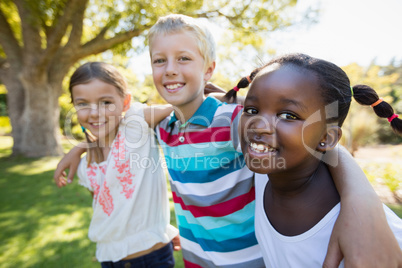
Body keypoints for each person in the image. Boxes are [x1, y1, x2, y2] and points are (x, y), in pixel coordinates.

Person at [55, 14, 402, 268]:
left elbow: (304, 141)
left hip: (246, 261)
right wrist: (81, 146)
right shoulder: (164, 129)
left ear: (209, 70)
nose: (170, 69)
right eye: (159, 61)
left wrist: (362, 204)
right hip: (194, 259)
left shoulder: (234, 121)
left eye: (184, 59)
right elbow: (112, 126)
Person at [234, 53, 402, 267]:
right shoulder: (268, 168)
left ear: (327, 137)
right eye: (252, 110)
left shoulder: (376, 239)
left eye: (288, 115)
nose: (257, 125)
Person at [54, 62, 179, 267]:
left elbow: (180, 105)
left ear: (126, 102)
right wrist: (83, 148)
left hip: (152, 258)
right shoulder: (87, 167)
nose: (94, 113)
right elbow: (108, 210)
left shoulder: (135, 128)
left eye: (105, 102)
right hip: (109, 259)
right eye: (83, 104)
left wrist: (158, 230)